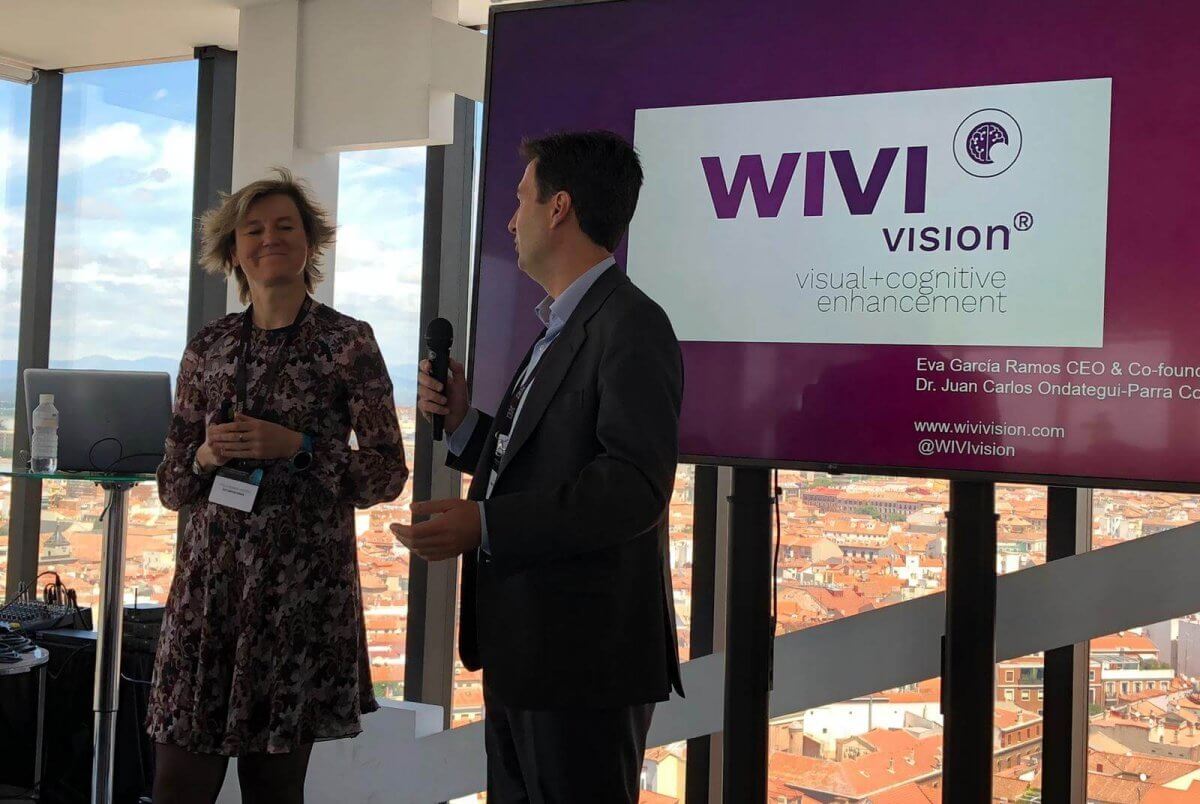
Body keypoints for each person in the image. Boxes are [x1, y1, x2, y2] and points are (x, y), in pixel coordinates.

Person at [393, 131, 684, 802]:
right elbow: (536, 461)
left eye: (520, 199)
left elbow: (633, 488)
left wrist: (485, 525)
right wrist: (464, 423)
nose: (509, 221)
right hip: (526, 649)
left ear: (559, 208)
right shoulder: (562, 325)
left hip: (584, 661)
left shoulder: (632, 325)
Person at [147, 168, 409, 804]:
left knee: (274, 791)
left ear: (309, 242)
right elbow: (172, 487)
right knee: (177, 787)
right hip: (209, 595)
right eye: (254, 230)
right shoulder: (208, 346)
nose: (270, 238)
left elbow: (386, 473)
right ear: (234, 250)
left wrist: (300, 448)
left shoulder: (347, 343)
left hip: (298, 597)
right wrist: (206, 455)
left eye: (285, 226)